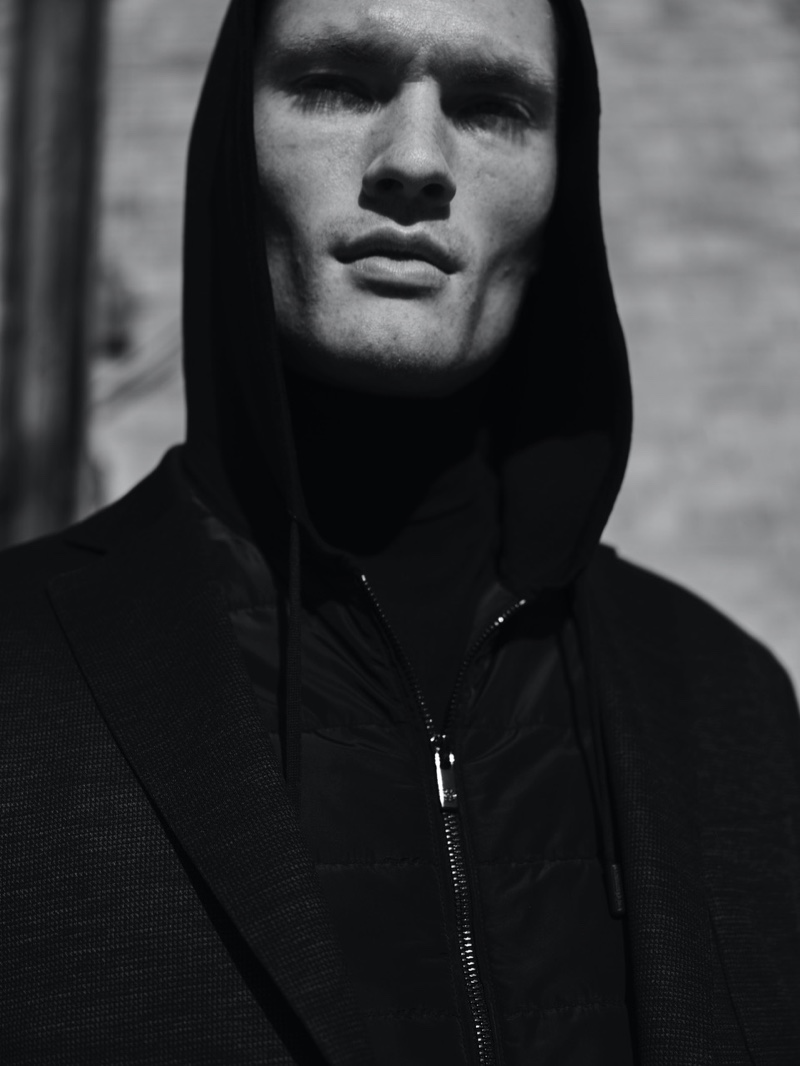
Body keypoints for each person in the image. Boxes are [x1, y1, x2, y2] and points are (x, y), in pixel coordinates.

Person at [1, 0, 799, 1061]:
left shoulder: (730, 706)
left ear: (563, 184)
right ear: (232, 145)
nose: (415, 160)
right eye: (336, 85)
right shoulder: (19, 670)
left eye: (492, 107)